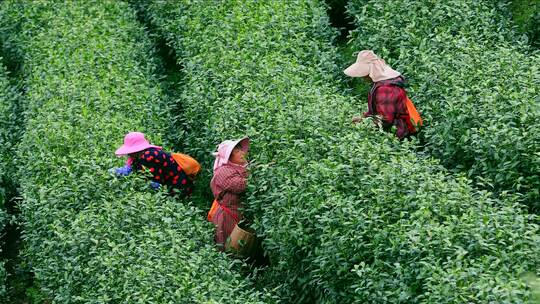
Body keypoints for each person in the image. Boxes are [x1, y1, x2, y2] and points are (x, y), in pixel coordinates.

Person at [344, 50, 418, 140]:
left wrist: (363, 124)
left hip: (397, 135)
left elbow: (385, 120)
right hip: (395, 131)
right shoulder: (382, 83)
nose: (362, 77)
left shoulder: (385, 89)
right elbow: (378, 111)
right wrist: (363, 118)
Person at [110, 131, 193, 197]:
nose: (128, 154)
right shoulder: (144, 154)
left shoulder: (148, 156)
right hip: (176, 183)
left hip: (178, 186)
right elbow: (131, 169)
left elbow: (155, 182)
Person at [209, 137, 249, 250]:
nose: (242, 153)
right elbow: (240, 186)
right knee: (229, 246)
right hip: (228, 217)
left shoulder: (240, 167)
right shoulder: (224, 171)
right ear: (229, 157)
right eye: (237, 151)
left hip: (239, 215)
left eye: (241, 149)